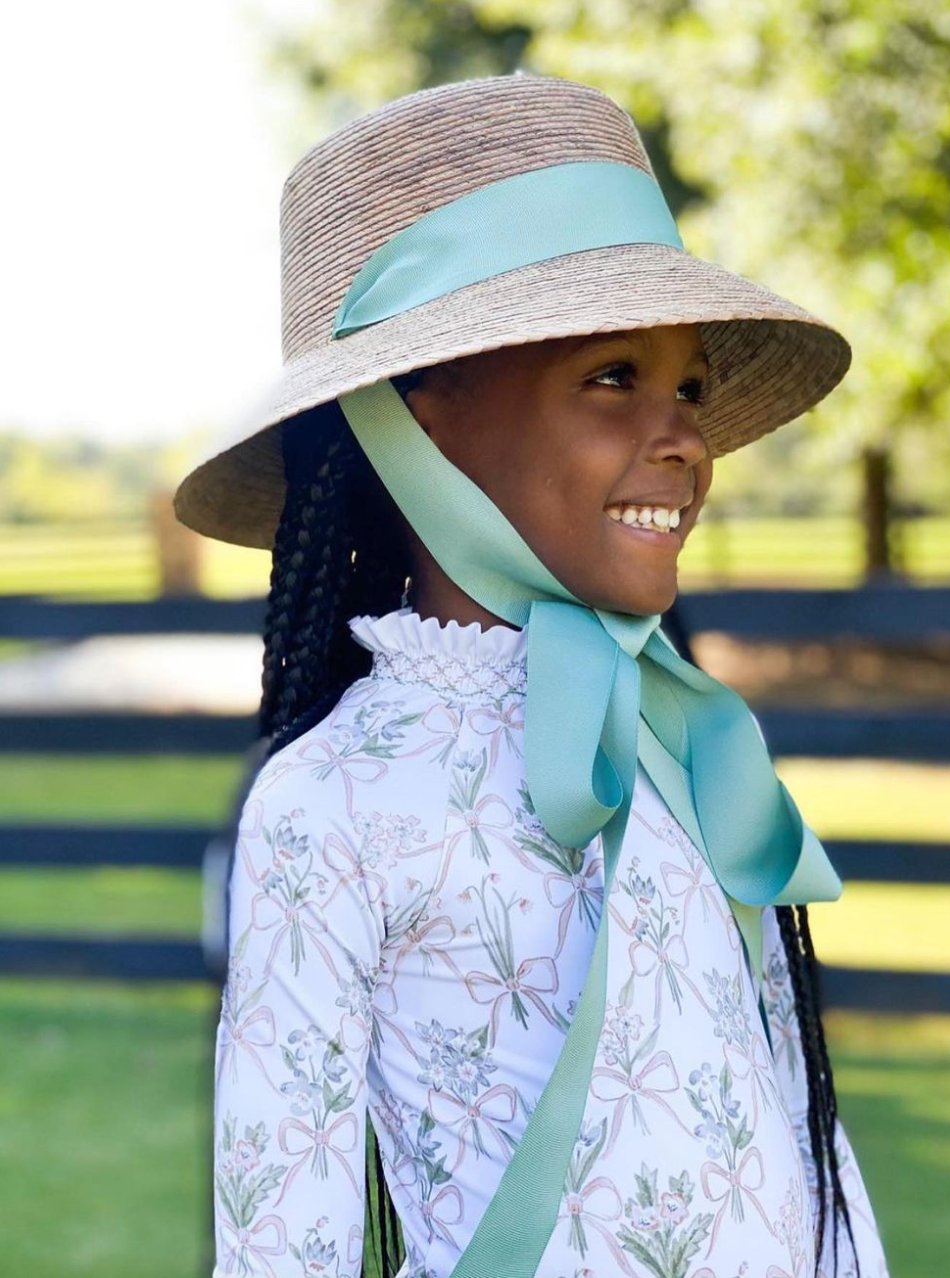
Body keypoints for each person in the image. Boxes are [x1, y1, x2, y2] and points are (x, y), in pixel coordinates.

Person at [175, 73, 890, 1278]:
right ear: (424, 410)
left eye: (691, 387)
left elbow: (790, 1134)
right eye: (614, 375)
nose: (683, 439)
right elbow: (279, 1245)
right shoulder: (332, 804)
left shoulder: (682, 741)